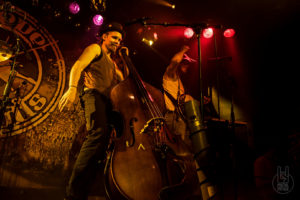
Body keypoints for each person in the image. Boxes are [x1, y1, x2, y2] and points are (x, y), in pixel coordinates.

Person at [58, 22, 128, 200]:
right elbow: (78, 66)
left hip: (108, 102)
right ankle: (72, 194)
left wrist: (127, 61)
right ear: (104, 36)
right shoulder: (95, 49)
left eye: (119, 40)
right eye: (114, 37)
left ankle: (84, 191)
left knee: (103, 145)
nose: (117, 41)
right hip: (93, 95)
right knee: (98, 133)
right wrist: (72, 88)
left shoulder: (113, 64)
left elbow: (126, 80)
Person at [162, 45, 195, 144]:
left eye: (188, 64)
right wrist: (183, 50)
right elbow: (175, 61)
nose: (186, 66)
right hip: (174, 118)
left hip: (181, 118)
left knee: (186, 147)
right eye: (184, 63)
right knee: (180, 147)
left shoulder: (179, 81)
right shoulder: (170, 74)